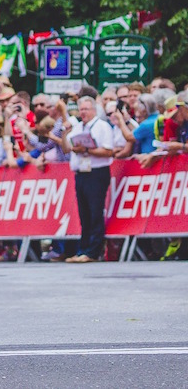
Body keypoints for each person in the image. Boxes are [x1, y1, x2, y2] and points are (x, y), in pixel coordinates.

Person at [61, 96, 114, 263]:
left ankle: (93, 250)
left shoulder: (102, 127)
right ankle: (83, 248)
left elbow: (108, 151)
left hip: (96, 172)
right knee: (84, 213)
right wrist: (65, 134)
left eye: (86, 109)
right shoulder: (77, 128)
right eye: (81, 109)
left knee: (95, 211)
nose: (83, 112)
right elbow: (67, 149)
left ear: (94, 110)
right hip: (81, 172)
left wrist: (88, 150)